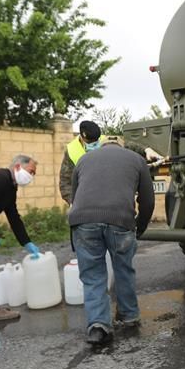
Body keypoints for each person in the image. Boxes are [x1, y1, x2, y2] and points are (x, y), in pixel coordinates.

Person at [68, 139, 155, 348]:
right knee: (123, 268)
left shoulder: (83, 159)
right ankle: (129, 315)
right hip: (121, 221)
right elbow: (148, 200)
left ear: (101, 146)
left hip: (82, 221)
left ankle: (98, 326)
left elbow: (74, 196)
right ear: (121, 146)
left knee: (92, 275)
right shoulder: (136, 159)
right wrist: (139, 227)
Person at [0, 155, 42, 322]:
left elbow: (13, 216)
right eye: (31, 172)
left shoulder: (10, 186)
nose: (32, 177)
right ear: (18, 167)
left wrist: (27, 242)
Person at [59, 120, 102, 205]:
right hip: (85, 201)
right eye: (90, 142)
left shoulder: (105, 142)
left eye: (96, 142)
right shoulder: (72, 151)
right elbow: (65, 181)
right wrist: (73, 202)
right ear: (82, 137)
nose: (94, 144)